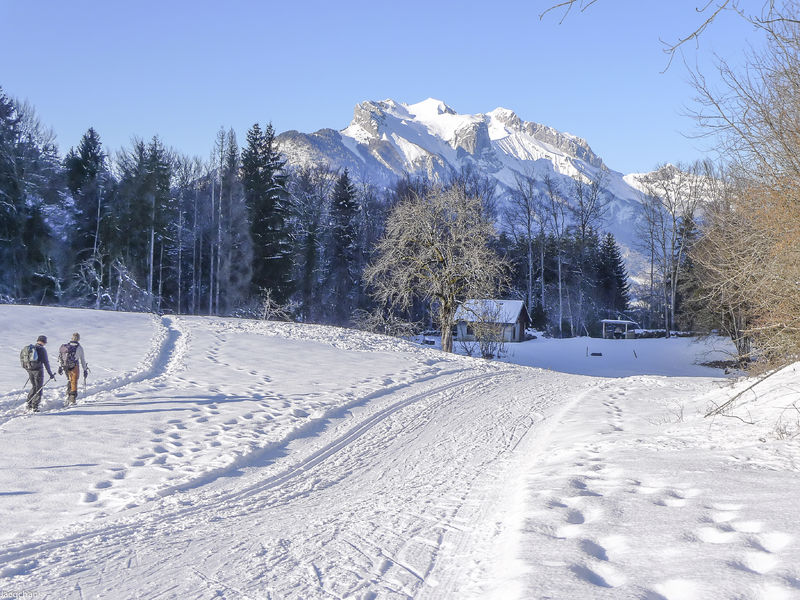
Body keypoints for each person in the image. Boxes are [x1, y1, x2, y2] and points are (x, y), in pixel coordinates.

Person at [27, 335, 55, 412]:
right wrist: (50, 373)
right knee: (39, 388)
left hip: (30, 370)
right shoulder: (42, 349)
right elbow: (46, 362)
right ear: (44, 342)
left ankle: (29, 403)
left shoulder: (32, 348)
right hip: (38, 370)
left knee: (34, 386)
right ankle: (35, 406)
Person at [59, 332, 88, 406]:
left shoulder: (66, 346)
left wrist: (60, 366)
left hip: (65, 366)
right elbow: (82, 360)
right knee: (74, 381)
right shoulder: (79, 348)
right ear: (78, 339)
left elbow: (61, 357)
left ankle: (68, 395)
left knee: (69, 379)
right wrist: (85, 369)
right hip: (74, 366)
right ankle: (72, 398)